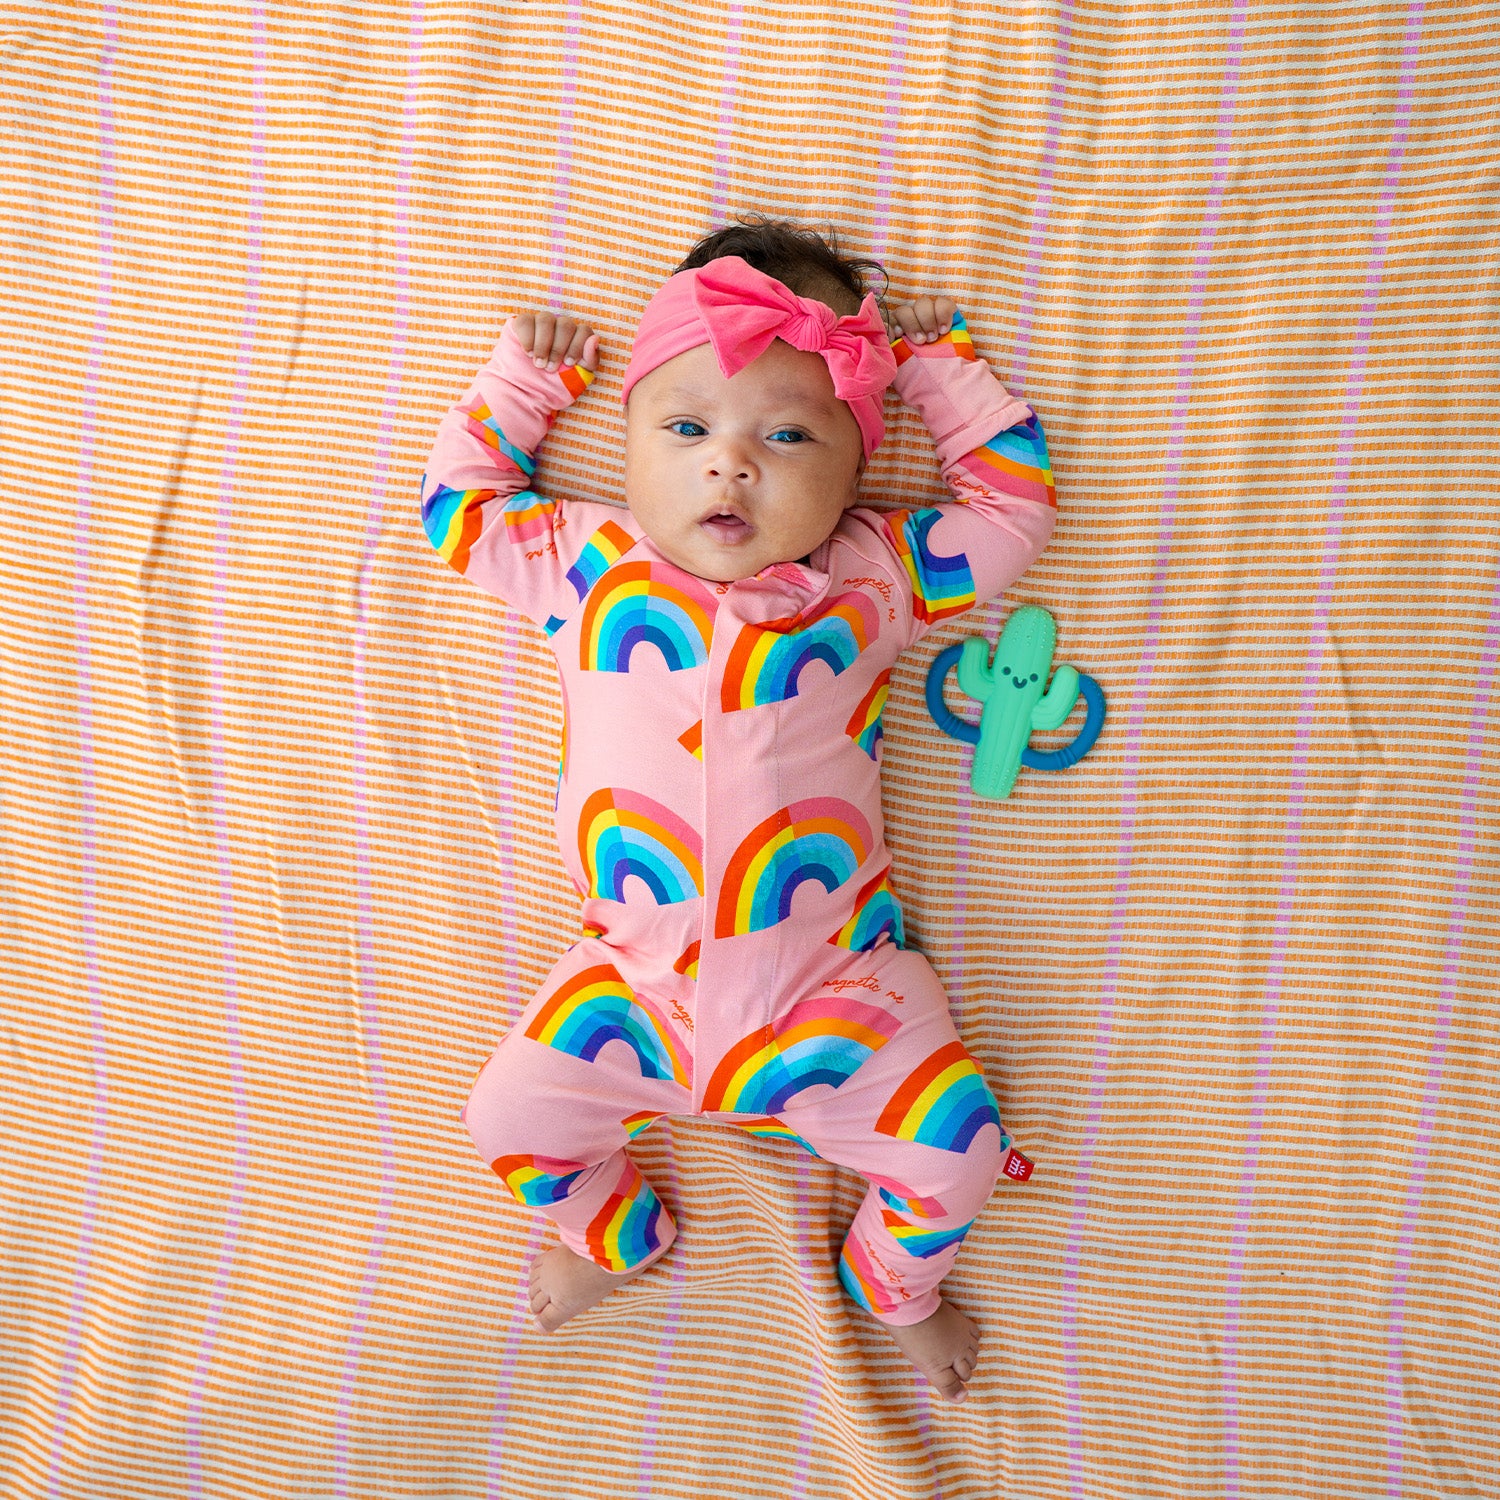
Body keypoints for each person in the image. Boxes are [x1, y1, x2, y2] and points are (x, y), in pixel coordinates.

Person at [420, 218, 1056, 1403]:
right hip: (635, 986)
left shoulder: (875, 572)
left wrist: (938, 371)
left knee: (957, 1150)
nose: (731, 464)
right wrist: (520, 387)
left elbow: (1011, 512)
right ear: (632, 448)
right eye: (687, 430)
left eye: (788, 433)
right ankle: (611, 1232)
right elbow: (457, 507)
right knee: (504, 1118)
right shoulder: (584, 562)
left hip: (836, 998)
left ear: (857, 470)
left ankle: (892, 1285)